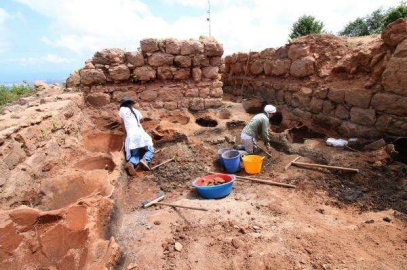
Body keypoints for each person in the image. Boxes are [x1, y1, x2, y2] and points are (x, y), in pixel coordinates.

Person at [119, 97, 154, 175]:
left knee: (135, 154)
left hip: (131, 135)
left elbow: (123, 124)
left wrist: (125, 134)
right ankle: (145, 159)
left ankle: (131, 163)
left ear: (122, 104)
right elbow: (141, 121)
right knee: (150, 149)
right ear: (130, 104)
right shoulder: (136, 111)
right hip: (141, 134)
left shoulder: (122, 110)